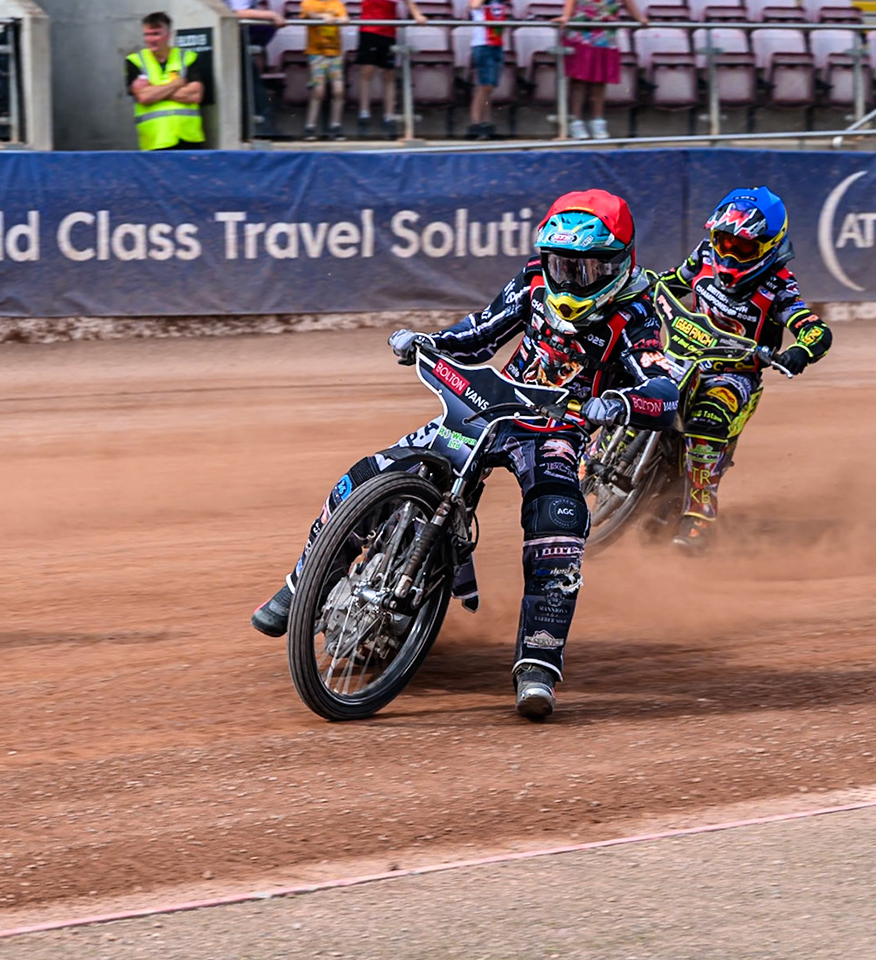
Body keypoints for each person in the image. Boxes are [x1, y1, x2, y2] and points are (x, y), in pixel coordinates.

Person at [249, 189, 678, 720]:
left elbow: (663, 388)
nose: (569, 279)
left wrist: (620, 403)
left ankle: (538, 664)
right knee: (367, 475)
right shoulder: (533, 282)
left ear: (618, 264)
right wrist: (427, 342)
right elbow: (477, 335)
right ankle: (299, 588)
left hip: (557, 427)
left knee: (559, 523)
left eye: (586, 269)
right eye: (561, 264)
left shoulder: (637, 314)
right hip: (488, 405)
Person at [657, 187, 830, 552]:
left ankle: (699, 518)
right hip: (683, 354)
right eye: (725, 241)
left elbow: (814, 328)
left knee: (706, 421)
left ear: (768, 246)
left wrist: (801, 350)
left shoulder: (779, 285)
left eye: (744, 247)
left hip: (734, 376)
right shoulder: (704, 255)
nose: (730, 253)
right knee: (631, 382)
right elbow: (669, 282)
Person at [556, 0, 645, 140]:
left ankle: (598, 122)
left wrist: (640, 18)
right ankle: (576, 122)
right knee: (578, 81)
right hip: (581, 34)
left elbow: (628, 2)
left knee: (600, 81)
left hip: (605, 36)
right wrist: (566, 15)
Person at [126, 12, 208, 151]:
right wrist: (177, 84)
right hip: (156, 140)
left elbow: (195, 95)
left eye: (156, 34)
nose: (151, 39)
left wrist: (155, 90)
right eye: (147, 34)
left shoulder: (187, 57)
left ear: (169, 34)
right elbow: (144, 97)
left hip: (189, 137)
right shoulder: (135, 61)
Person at [354, 0, 427, 138]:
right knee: (367, 72)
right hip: (369, 30)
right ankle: (364, 116)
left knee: (389, 74)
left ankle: (389, 118)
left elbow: (409, 2)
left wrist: (417, 14)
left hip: (388, 33)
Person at [225, 0, 287, 136]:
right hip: (233, 38)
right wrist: (271, 15)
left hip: (240, 39)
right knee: (250, 84)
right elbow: (235, 13)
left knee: (251, 82)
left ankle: (263, 128)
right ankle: (263, 129)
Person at [301, 0, 349, 140]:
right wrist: (322, 16)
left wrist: (338, 19)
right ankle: (310, 126)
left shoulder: (337, 4)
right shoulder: (309, 2)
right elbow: (308, 14)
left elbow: (345, 19)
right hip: (317, 53)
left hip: (335, 53)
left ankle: (336, 125)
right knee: (318, 91)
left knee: (338, 90)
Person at [466, 0, 510, 140]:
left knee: (489, 86)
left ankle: (485, 123)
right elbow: (473, 5)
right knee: (485, 85)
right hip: (483, 44)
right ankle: (476, 123)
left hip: (496, 43)